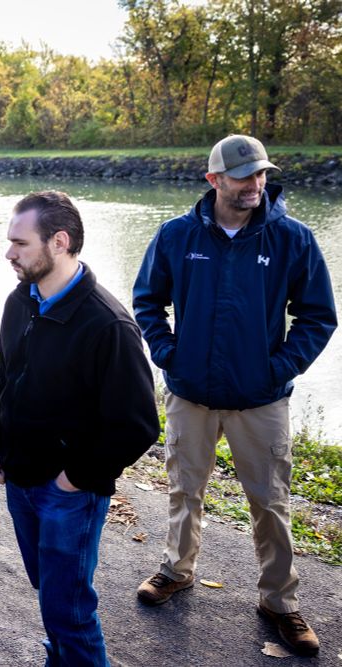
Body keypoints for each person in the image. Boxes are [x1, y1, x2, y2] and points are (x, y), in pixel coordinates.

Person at [132, 135, 337, 656]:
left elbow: (317, 316)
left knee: (270, 502)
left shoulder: (292, 239)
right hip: (190, 395)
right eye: (244, 175)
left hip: (261, 401)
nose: (255, 184)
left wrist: (279, 369)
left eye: (261, 173)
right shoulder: (176, 236)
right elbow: (147, 301)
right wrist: (169, 354)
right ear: (214, 180)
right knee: (184, 490)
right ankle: (176, 571)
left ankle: (280, 602)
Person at [0, 191, 158, 666]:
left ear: (59, 242)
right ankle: (60, 655)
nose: (9, 253)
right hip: (19, 479)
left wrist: (73, 478)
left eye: (19, 243)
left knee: (71, 609)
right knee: (50, 593)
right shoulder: (21, 301)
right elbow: (7, 381)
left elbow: (138, 425)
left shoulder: (108, 325)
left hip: (69, 493)